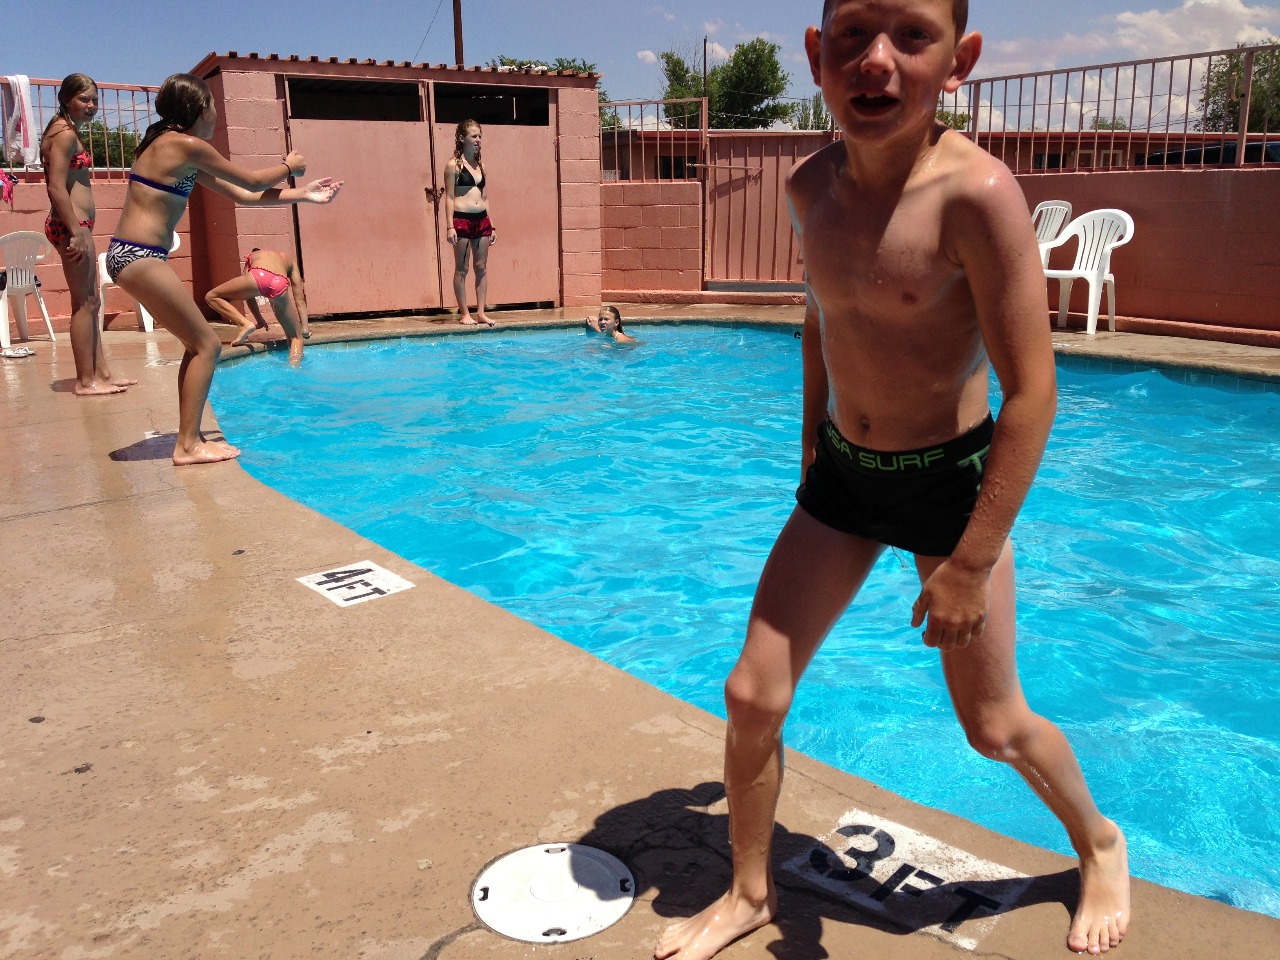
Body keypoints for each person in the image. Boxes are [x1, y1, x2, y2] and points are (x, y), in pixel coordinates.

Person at [655, 2, 1130, 958]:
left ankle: (1100, 843)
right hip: (844, 477)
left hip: (951, 490)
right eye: (853, 36)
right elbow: (823, 323)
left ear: (960, 61)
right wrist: (811, 456)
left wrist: (970, 560)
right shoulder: (809, 187)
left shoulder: (976, 197)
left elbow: (1033, 394)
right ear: (815, 56)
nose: (877, 60)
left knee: (992, 726)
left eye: (912, 36)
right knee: (752, 694)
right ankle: (751, 893)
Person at [106, 73, 341, 465]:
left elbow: (245, 195)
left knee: (196, 344)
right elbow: (251, 178)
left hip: (134, 255)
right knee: (208, 345)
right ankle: (187, 446)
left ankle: (190, 436)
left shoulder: (177, 150)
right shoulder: (184, 145)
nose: (216, 112)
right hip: (138, 255)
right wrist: (288, 165)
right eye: (213, 104)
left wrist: (305, 194)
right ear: (200, 109)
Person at [39, 73, 136, 396]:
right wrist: (77, 231)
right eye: (84, 99)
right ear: (66, 99)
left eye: (95, 100)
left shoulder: (66, 129)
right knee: (84, 303)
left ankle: (101, 373)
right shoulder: (64, 134)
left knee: (91, 301)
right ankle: (85, 381)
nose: (91, 105)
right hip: (71, 227)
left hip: (76, 226)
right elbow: (56, 186)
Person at [205, 247, 311, 362]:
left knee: (212, 296)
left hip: (259, 274)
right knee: (296, 338)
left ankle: (243, 323)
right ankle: (294, 368)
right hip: (280, 282)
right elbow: (300, 300)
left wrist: (259, 320)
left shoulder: (252, 257)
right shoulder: (288, 260)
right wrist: (305, 329)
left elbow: (249, 297)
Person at [443, 119, 495, 326]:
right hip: (462, 220)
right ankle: (465, 314)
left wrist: (491, 224)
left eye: (479, 136)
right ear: (461, 138)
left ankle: (481, 312)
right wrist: (450, 226)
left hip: (481, 220)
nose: (478, 140)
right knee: (462, 268)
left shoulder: (481, 165)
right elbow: (449, 197)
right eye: (474, 136)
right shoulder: (453, 166)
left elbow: (485, 197)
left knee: (481, 267)